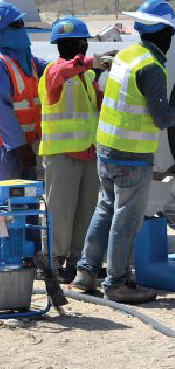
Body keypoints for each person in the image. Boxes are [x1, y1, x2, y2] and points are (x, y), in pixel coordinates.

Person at [72, 0, 175, 303]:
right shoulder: (151, 67)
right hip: (131, 156)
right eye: (170, 32)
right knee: (125, 220)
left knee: (105, 208)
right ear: (162, 34)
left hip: (107, 148)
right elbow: (163, 119)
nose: (172, 38)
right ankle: (117, 283)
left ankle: (86, 274)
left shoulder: (127, 55)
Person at [38, 17, 113, 284]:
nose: (84, 46)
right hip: (62, 155)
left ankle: (79, 261)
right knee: (60, 210)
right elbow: (61, 74)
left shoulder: (86, 77)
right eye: (80, 42)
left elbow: (96, 107)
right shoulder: (53, 71)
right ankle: (53, 262)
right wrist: (93, 62)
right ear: (66, 44)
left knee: (86, 211)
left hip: (88, 152)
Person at [0, 2, 46, 180]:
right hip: (9, 149)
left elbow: (52, 68)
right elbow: (2, 111)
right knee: (8, 203)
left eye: (22, 25)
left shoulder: (27, 59)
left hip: (27, 146)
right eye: (15, 26)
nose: (22, 30)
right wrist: (20, 145)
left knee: (28, 200)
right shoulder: (2, 63)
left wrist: (83, 64)